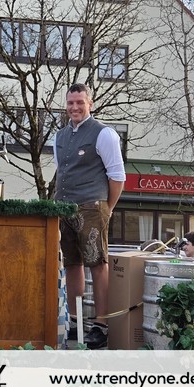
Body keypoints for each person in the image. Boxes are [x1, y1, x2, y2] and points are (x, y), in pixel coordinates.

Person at [53, 83, 126, 349]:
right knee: (71, 264)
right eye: (70, 103)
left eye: (80, 102)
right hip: (63, 207)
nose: (75, 107)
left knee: (97, 263)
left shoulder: (104, 133)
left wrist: (107, 208)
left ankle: (101, 325)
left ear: (90, 104)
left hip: (92, 205)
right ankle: (76, 322)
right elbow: (62, 171)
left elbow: (117, 177)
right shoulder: (59, 136)